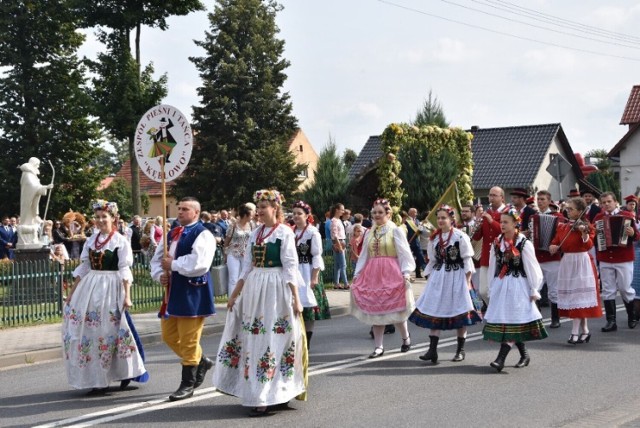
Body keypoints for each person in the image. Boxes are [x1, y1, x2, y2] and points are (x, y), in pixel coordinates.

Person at [212, 189, 307, 417]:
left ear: (275, 209)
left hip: (276, 290)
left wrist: (296, 299)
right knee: (255, 340)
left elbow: (290, 267)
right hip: (255, 290)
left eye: (264, 207)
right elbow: (246, 267)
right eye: (259, 207)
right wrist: (234, 295)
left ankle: (277, 392)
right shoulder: (255, 234)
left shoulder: (284, 233)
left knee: (277, 339)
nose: (260, 211)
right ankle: (259, 392)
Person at [62, 200, 148, 392]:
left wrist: (127, 296)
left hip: (111, 288)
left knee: (111, 332)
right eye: (98, 217)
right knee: (91, 333)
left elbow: (124, 269)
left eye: (104, 217)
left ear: (114, 219)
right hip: (90, 289)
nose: (100, 220)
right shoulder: (91, 240)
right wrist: (72, 292)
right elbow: (84, 267)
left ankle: (124, 373)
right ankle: (96, 379)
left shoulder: (120, 241)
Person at [150, 197, 217, 401]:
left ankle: (187, 383)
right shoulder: (171, 233)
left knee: (189, 340)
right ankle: (200, 360)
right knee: (169, 336)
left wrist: (175, 265)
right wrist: (159, 274)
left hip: (192, 293)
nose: (179, 212)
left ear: (196, 212)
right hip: (172, 292)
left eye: (185, 209)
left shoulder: (203, 234)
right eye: (179, 208)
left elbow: (201, 263)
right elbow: (157, 259)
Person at [409, 205, 481, 363]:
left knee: (460, 311)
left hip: (458, 277)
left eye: (444, 218)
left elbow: (467, 259)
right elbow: (433, 259)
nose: (441, 221)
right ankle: (432, 350)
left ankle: (460, 350)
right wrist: (430, 276)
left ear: (451, 220)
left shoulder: (460, 236)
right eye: (439, 218)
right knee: (435, 309)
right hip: (440, 276)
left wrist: (467, 281)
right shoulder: (435, 238)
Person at [483, 208, 548, 372]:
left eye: (506, 222)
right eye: (502, 222)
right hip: (502, 285)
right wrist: (492, 285)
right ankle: (524, 354)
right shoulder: (497, 242)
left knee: (514, 319)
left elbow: (532, 268)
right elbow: (493, 266)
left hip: (519, 286)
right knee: (509, 321)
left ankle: (501, 358)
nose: (502, 225)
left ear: (515, 224)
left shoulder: (524, 243)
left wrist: (534, 288)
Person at [351, 198, 416, 358]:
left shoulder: (395, 230)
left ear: (388, 213)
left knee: (396, 309)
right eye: (375, 213)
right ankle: (379, 346)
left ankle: (405, 338)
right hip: (373, 274)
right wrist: (357, 274)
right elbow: (364, 255)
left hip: (391, 272)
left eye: (380, 212)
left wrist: (406, 272)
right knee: (376, 311)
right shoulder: (369, 232)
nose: (377, 215)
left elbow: (404, 253)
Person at [549, 197, 601, 344]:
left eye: (571, 209)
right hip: (568, 263)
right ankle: (585, 331)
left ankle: (574, 333)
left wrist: (584, 233)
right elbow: (556, 242)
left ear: (580, 211)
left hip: (582, 263)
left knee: (578, 298)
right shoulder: (562, 226)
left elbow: (589, 245)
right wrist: (553, 247)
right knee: (576, 299)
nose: (567, 211)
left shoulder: (587, 226)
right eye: (567, 208)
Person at [593, 191, 638, 332]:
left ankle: (632, 316)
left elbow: (637, 236)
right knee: (608, 289)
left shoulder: (627, 216)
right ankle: (611, 321)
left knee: (625, 288)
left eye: (609, 202)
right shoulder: (598, 218)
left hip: (623, 258)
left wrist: (633, 234)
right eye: (603, 202)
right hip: (606, 258)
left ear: (615, 202)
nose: (606, 204)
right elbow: (594, 238)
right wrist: (595, 234)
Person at [292, 200, 330, 349]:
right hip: (294, 270)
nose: (296, 216)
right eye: (294, 213)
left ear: (307, 215)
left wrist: (314, 276)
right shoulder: (290, 231)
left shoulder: (312, 232)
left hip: (307, 271)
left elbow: (316, 256)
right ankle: (296, 338)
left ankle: (307, 340)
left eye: (299, 214)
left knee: (308, 307)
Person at [531, 190, 566, 327]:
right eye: (538, 199)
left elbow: (562, 237)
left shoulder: (558, 217)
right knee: (535, 288)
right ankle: (537, 318)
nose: (540, 202)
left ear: (549, 201)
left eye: (543, 199)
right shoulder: (533, 217)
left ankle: (555, 319)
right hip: (536, 258)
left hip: (552, 258)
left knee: (553, 289)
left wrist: (556, 245)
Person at [472, 186, 507, 305]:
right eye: (490, 195)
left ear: (502, 198)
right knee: (483, 291)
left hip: (502, 255)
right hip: (486, 256)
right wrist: (477, 224)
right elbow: (477, 237)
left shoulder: (508, 211)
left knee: (499, 289)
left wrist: (491, 221)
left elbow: (506, 232)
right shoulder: (487, 213)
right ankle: (494, 309)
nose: (491, 198)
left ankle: (496, 315)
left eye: (494, 195)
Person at [224, 203, 254, 296]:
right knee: (233, 278)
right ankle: (232, 300)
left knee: (245, 278)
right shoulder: (233, 225)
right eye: (251, 215)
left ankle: (244, 300)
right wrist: (225, 255)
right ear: (245, 215)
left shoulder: (251, 225)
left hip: (246, 255)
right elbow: (227, 241)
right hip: (233, 254)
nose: (252, 217)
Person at [330, 203, 349, 290]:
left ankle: (336, 283)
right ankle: (345, 283)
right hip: (338, 242)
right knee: (343, 264)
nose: (343, 211)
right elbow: (335, 235)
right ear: (337, 210)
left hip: (341, 241)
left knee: (338, 265)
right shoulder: (334, 220)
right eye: (342, 209)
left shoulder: (338, 220)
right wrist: (339, 246)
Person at [405, 207, 427, 279]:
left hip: (416, 243)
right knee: (406, 258)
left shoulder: (417, 221)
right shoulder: (406, 221)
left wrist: (420, 229)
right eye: (415, 212)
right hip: (408, 242)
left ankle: (426, 273)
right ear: (410, 213)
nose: (416, 214)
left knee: (420, 257)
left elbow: (420, 232)